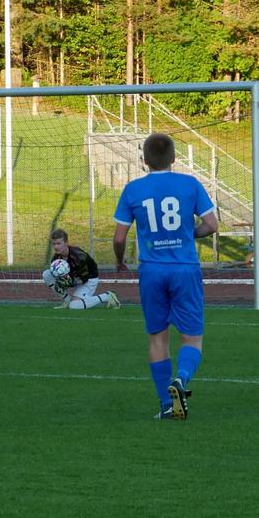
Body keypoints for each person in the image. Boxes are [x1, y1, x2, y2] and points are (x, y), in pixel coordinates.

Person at [113, 132, 218, 421]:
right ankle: (181, 379)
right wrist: (187, 234)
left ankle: (166, 405)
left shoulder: (133, 189)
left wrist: (120, 262)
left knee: (157, 338)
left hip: (151, 270)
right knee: (192, 338)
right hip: (185, 269)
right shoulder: (190, 184)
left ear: (144, 160)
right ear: (174, 158)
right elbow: (211, 225)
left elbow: (119, 237)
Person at [43, 229, 120, 311]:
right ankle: (67, 301)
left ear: (66, 242)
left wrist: (69, 282)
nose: (56, 247)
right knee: (47, 274)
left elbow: (84, 278)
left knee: (74, 306)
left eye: (59, 243)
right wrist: (61, 281)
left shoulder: (79, 256)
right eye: (54, 244)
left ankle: (107, 296)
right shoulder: (56, 259)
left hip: (89, 279)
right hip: (74, 278)